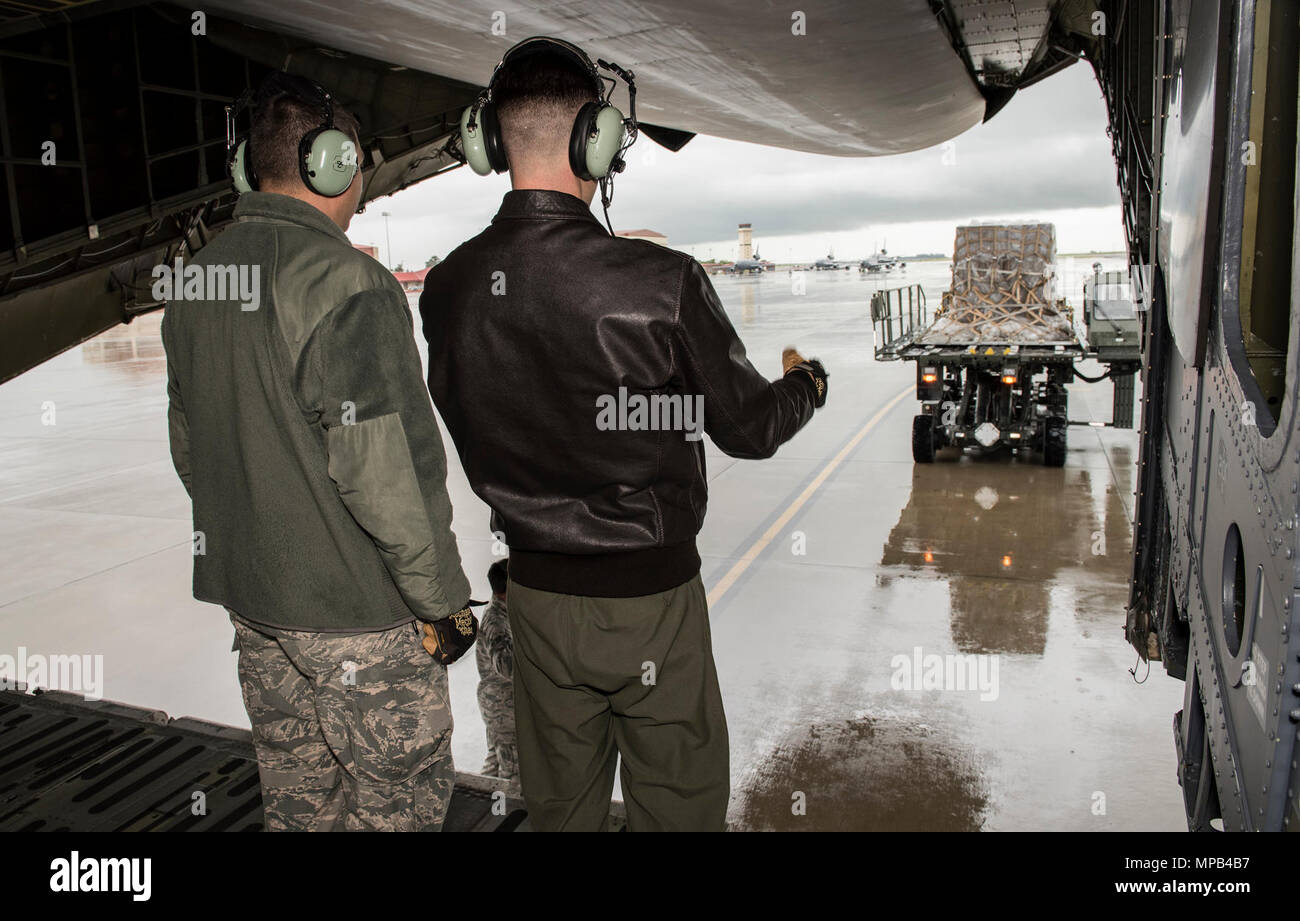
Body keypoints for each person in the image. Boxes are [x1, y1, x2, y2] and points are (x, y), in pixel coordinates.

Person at [420, 37, 828, 831]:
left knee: (562, 811)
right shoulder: (661, 284)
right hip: (650, 599)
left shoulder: (448, 289)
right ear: (596, 141)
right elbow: (746, 428)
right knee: (677, 807)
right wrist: (805, 385)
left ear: (493, 142)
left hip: (535, 598)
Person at [161, 71, 476, 832]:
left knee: (300, 802)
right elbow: (386, 474)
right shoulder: (348, 283)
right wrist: (441, 601)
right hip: (358, 621)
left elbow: (191, 451)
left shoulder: (195, 282)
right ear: (334, 162)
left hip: (256, 605)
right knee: (395, 808)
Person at [476, 558, 517, 783]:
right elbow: (505, 665)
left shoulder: (505, 612)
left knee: (496, 764)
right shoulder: (497, 620)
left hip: (500, 706)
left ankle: (479, 804)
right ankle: (508, 812)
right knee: (513, 774)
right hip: (504, 707)